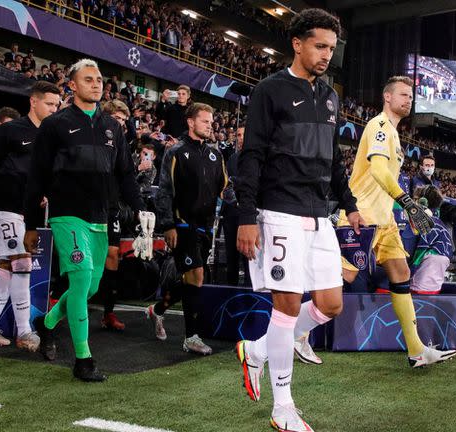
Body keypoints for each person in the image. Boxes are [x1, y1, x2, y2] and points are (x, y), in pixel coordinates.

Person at [232, 10, 364, 431]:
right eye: (320, 46)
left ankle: (256, 350)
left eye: (331, 48)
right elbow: (251, 156)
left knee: (330, 304)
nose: (327, 55)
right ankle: (283, 406)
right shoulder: (270, 91)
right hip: (278, 211)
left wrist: (350, 202)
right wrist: (246, 215)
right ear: (298, 44)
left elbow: (333, 159)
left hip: (319, 214)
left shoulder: (330, 96)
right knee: (286, 307)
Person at [23, 59, 151, 382]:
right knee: (81, 278)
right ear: (73, 85)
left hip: (100, 217)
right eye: (88, 79)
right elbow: (36, 176)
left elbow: (125, 174)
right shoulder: (55, 125)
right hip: (67, 214)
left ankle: (47, 323)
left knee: (91, 286)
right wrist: (31, 223)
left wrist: (139, 208)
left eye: (99, 79)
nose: (96, 84)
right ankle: (84, 359)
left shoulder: (113, 127)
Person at [340, 76, 453, 367]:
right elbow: (378, 170)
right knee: (341, 280)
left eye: (411, 97)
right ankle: (294, 333)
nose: (408, 100)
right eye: (403, 94)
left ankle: (417, 351)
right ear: (387, 97)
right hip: (361, 216)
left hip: (384, 218)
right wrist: (406, 201)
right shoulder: (379, 126)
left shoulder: (393, 132)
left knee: (401, 274)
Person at [0, 81, 61, 350]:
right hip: (5, 209)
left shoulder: (51, 137)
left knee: (7, 268)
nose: (53, 109)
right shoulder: (11, 132)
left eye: (56, 105)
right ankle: (25, 332)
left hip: (28, 214)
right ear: (34, 101)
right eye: (49, 104)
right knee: (22, 265)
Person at [145, 103, 227, 354]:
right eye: (205, 121)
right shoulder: (176, 152)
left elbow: (225, 188)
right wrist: (168, 225)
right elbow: (165, 191)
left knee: (191, 278)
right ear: (191, 122)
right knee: (197, 275)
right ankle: (191, 336)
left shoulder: (216, 155)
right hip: (182, 225)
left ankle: (157, 310)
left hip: (206, 226)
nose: (209, 125)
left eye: (211, 122)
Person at [97, 99, 132, 331]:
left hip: (111, 206)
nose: (120, 124)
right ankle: (57, 301)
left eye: (123, 121)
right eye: (117, 119)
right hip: (88, 205)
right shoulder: (94, 138)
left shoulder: (123, 145)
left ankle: (108, 313)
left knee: (113, 255)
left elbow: (127, 177)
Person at [220, 125, 249, 286]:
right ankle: (230, 293)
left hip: (248, 213)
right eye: (238, 135)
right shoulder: (232, 158)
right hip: (231, 212)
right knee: (231, 256)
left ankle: (250, 294)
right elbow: (228, 184)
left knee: (248, 258)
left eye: (243, 135)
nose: (240, 138)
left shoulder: (258, 158)